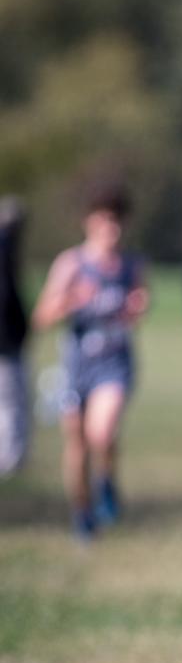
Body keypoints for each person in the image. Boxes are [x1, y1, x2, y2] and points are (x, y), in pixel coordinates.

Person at [32, 182, 148, 538]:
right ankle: (82, 512)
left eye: (117, 222)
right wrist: (71, 300)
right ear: (89, 223)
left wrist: (135, 307)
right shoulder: (71, 264)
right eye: (104, 221)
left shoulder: (131, 265)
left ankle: (106, 480)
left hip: (114, 364)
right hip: (76, 366)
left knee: (102, 432)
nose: (111, 230)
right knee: (77, 443)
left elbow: (139, 304)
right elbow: (42, 317)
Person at [0, 197, 29, 476]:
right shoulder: (4, 248)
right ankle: (9, 460)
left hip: (10, 340)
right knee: (10, 402)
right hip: (5, 343)